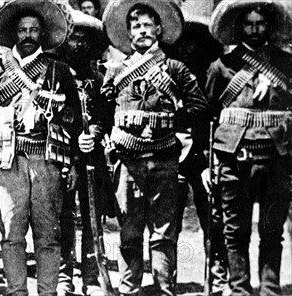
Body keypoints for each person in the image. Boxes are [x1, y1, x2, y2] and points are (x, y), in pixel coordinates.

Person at [101, 0, 209, 294]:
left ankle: (164, 288)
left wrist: (175, 115)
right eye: (136, 26)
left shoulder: (175, 68)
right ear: (129, 33)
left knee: (163, 233)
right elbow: (101, 112)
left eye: (148, 25)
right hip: (128, 161)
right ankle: (129, 289)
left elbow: (200, 107)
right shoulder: (116, 70)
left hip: (165, 160)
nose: (143, 31)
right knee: (129, 232)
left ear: (159, 30)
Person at [0, 0, 82, 294]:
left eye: (34, 29)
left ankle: (48, 291)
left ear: (42, 34)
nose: (28, 35)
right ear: (14, 34)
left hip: (46, 162)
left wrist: (70, 161)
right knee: (10, 235)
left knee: (48, 235)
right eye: (22, 30)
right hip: (8, 162)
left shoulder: (59, 70)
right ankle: (16, 291)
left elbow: (74, 120)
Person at [206, 0, 292, 294]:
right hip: (234, 161)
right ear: (238, 27)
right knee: (235, 232)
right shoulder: (221, 68)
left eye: (260, 23)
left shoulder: (286, 65)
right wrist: (209, 164)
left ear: (268, 25)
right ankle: (240, 289)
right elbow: (207, 116)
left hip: (277, 161)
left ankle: (270, 289)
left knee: (272, 231)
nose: (255, 30)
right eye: (248, 23)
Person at [164, 15, 230, 295]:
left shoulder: (211, 75)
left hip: (205, 152)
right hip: (172, 150)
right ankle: (167, 277)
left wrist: (210, 157)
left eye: (195, 47)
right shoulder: (167, 72)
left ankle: (217, 276)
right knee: (169, 220)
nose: (189, 52)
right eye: (183, 47)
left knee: (212, 217)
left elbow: (213, 115)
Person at [57, 10, 113, 296]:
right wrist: (72, 138)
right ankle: (64, 276)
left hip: (93, 158)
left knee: (93, 217)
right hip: (64, 156)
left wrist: (95, 134)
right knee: (64, 217)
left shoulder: (99, 77)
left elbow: (106, 115)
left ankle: (91, 278)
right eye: (72, 39)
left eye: (82, 40)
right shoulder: (54, 74)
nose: (77, 45)